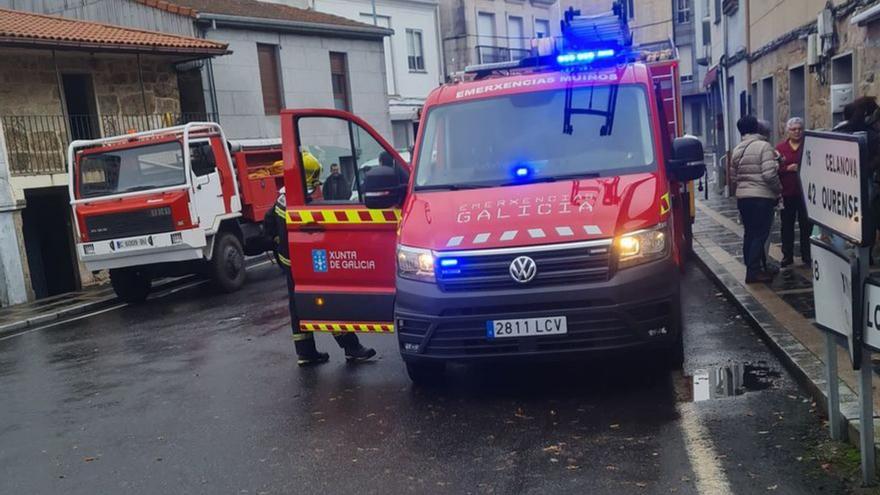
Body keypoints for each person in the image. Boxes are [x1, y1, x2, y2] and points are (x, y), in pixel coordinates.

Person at [263, 190, 377, 366]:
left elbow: (268, 222)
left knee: (298, 306)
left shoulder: (282, 200)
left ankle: (306, 353)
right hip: (307, 260)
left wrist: (278, 242)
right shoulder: (303, 200)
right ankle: (351, 347)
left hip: (291, 261)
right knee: (328, 300)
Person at [730, 115, 782, 284]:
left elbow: (733, 177)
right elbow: (769, 174)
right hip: (762, 197)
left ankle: (754, 267)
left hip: (744, 198)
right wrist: (778, 189)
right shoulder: (764, 146)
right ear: (757, 128)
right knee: (760, 234)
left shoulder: (737, 149)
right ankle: (753, 272)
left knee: (750, 234)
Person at [776, 117, 811, 267]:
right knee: (787, 226)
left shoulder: (808, 146)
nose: (797, 132)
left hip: (805, 194)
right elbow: (774, 169)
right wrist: (787, 168)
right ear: (788, 131)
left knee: (806, 226)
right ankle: (787, 255)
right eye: (793, 129)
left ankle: (807, 255)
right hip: (787, 193)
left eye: (799, 129)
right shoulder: (780, 148)